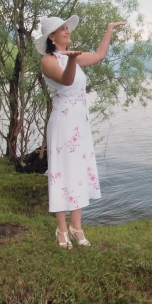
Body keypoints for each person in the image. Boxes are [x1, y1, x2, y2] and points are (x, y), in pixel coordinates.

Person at [36, 15, 126, 249]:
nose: (67, 31)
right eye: (61, 29)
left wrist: (108, 29)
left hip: (79, 123)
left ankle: (77, 227)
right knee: (62, 172)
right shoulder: (48, 60)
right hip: (63, 123)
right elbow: (66, 81)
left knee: (77, 171)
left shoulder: (71, 56)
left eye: (67, 27)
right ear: (51, 36)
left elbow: (98, 56)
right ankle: (62, 229)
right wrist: (73, 61)